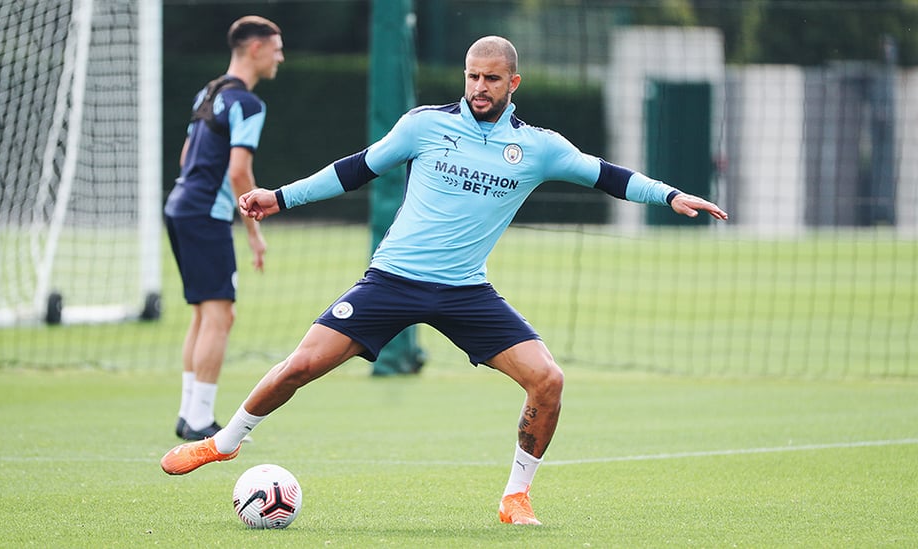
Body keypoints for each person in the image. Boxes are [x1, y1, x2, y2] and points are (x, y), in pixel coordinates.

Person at [161, 35, 727, 524]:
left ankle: (516, 495)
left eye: (492, 78)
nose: (479, 86)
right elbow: (354, 169)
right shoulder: (424, 126)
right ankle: (224, 442)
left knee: (548, 381)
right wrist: (279, 198)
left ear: (514, 82)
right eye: (473, 76)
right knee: (302, 365)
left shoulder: (538, 148)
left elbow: (608, 175)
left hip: (465, 292)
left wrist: (671, 195)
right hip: (392, 280)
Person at [162, 16, 284, 441]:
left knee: (203, 315)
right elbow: (239, 171)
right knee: (221, 315)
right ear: (255, 49)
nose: (280, 57)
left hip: (179, 205)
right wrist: (254, 228)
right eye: (276, 48)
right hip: (202, 214)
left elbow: (184, 156)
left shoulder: (210, 91)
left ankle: (189, 414)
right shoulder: (248, 103)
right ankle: (199, 421)